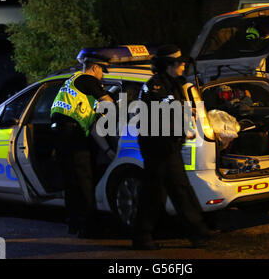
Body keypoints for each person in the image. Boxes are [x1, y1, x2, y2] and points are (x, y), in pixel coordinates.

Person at [132, 45, 214, 250]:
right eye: (179, 62)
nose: (183, 65)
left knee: (178, 190)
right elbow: (156, 119)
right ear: (168, 65)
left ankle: (198, 233)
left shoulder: (174, 84)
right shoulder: (155, 87)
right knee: (156, 192)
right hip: (157, 147)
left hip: (169, 147)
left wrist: (189, 115)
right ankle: (144, 237)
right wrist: (180, 129)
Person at [50, 54, 114, 237]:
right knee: (84, 181)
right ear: (94, 68)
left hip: (61, 134)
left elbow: (91, 123)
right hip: (72, 136)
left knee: (71, 182)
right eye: (102, 70)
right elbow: (108, 103)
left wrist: (107, 149)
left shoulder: (73, 83)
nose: (102, 75)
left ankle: (74, 223)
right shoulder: (86, 79)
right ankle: (89, 228)